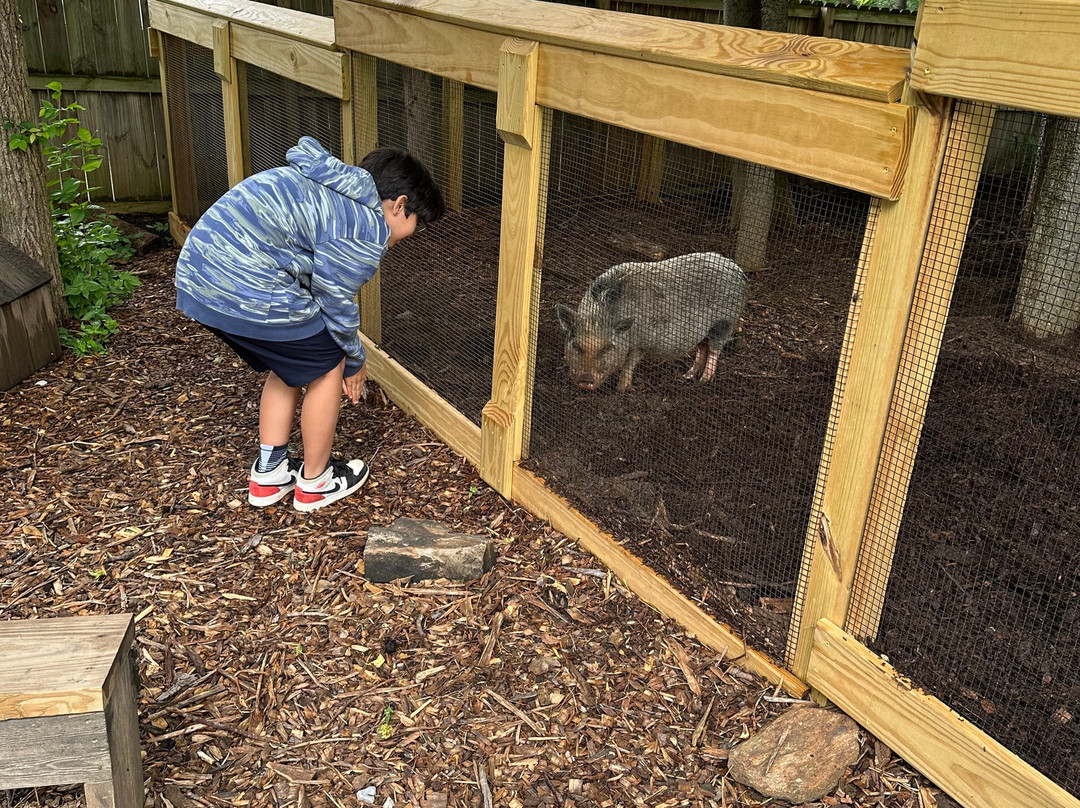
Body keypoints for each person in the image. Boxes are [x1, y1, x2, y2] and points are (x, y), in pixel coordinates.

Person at [175, 136, 445, 512]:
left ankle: (269, 475)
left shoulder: (328, 187)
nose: (412, 234)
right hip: (241, 279)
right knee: (327, 360)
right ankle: (316, 482)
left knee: (292, 360)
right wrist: (354, 359)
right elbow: (335, 303)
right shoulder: (365, 225)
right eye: (417, 222)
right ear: (399, 205)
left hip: (198, 275)